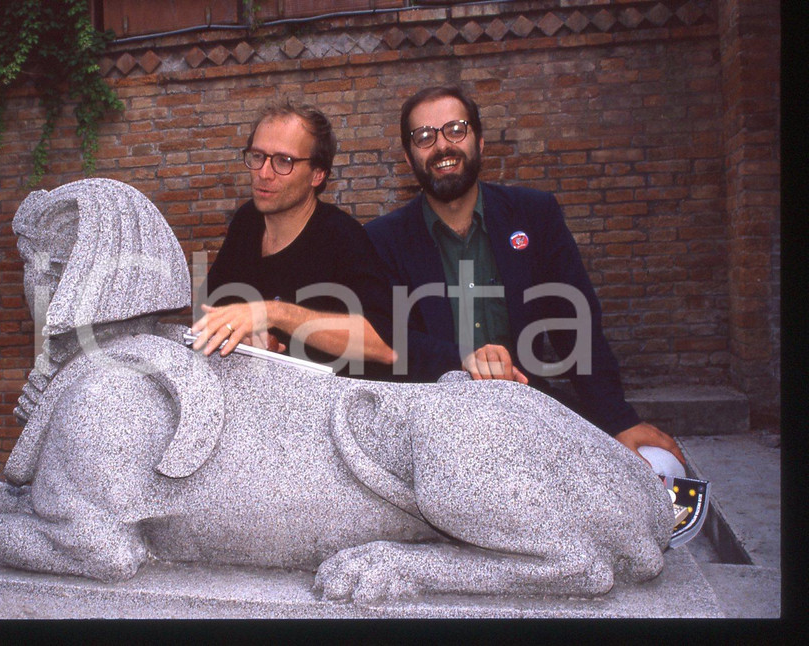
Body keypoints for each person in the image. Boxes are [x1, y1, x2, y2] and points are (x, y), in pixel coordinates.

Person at [364, 85, 684, 465]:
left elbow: (573, 325)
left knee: (654, 470)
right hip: (433, 424)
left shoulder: (534, 214)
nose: (442, 147)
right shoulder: (382, 239)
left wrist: (617, 418)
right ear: (408, 156)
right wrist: (464, 359)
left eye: (455, 129)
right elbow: (388, 342)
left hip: (528, 407)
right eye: (424, 137)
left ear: (479, 141)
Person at [191, 101, 396, 376]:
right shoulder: (247, 221)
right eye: (257, 156)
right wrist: (248, 338)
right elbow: (214, 311)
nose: (264, 173)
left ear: (317, 174)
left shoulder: (342, 237)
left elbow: (385, 345)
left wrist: (275, 313)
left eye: (283, 161)